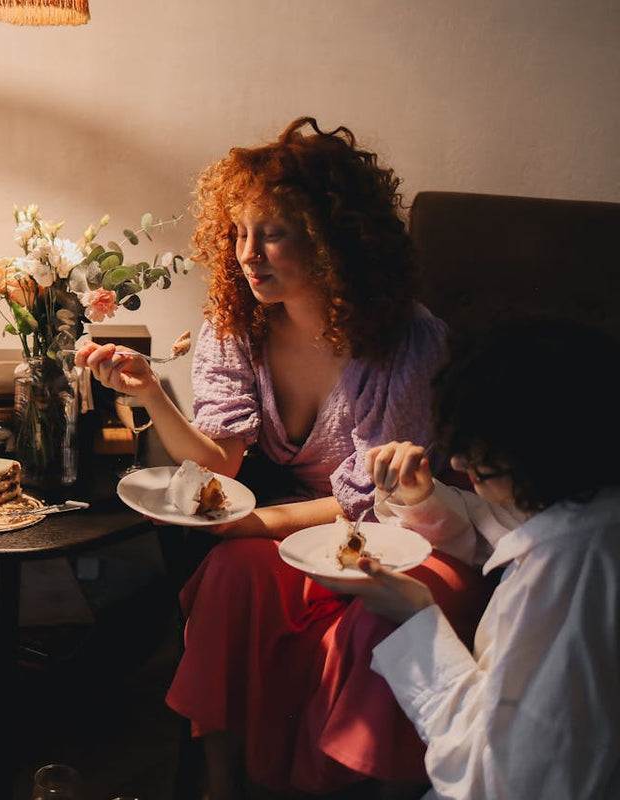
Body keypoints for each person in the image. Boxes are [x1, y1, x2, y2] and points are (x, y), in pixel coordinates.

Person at [77, 118, 490, 797]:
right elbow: (221, 464)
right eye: (238, 232)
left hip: (414, 532)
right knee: (232, 574)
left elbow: (376, 503)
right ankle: (221, 785)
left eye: (271, 232)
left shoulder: (406, 343)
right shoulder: (237, 323)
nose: (247, 253)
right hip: (312, 526)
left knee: (359, 614)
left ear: (333, 238)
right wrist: (151, 392)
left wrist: (254, 525)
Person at [313, 317, 620, 799]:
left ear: (540, 443)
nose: (458, 463)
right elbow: (498, 531)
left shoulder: (570, 568)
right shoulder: (586, 512)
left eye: (478, 446)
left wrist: (418, 618)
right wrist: (419, 496)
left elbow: (497, 779)